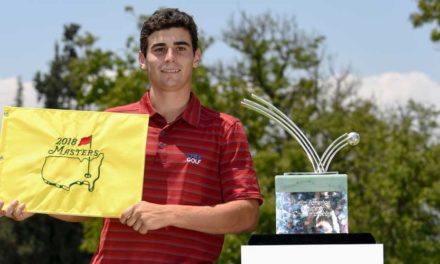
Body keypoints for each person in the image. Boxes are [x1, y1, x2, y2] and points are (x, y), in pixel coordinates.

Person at [0, 8, 262, 263]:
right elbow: (86, 202)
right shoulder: (113, 122)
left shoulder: (225, 129)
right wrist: (36, 202)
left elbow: (247, 215)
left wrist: (167, 214)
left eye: (180, 48)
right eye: (159, 49)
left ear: (196, 57)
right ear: (142, 59)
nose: (170, 57)